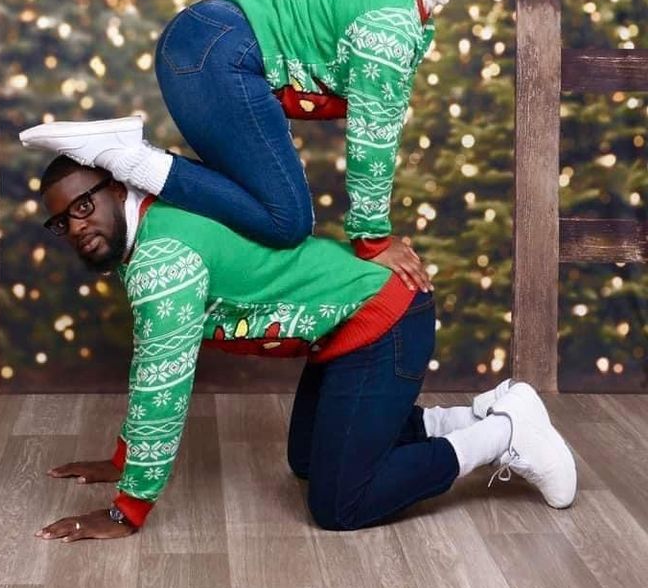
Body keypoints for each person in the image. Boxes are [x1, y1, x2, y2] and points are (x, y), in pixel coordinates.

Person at [32, 156, 576, 543]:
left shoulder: (161, 260)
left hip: (384, 317)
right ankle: (473, 414)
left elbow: (161, 386)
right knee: (309, 460)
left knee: (341, 505)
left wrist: (127, 510)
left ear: (115, 186)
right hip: (344, 326)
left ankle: (504, 434)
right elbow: (152, 365)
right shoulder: (156, 220)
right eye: (62, 222)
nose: (76, 228)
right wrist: (121, 460)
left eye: (83, 205)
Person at [20, 0, 505, 288]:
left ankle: (133, 160)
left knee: (260, 201)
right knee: (286, 220)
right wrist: (373, 239)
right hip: (222, 54)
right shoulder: (392, 18)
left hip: (206, 41)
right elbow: (372, 135)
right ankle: (126, 156)